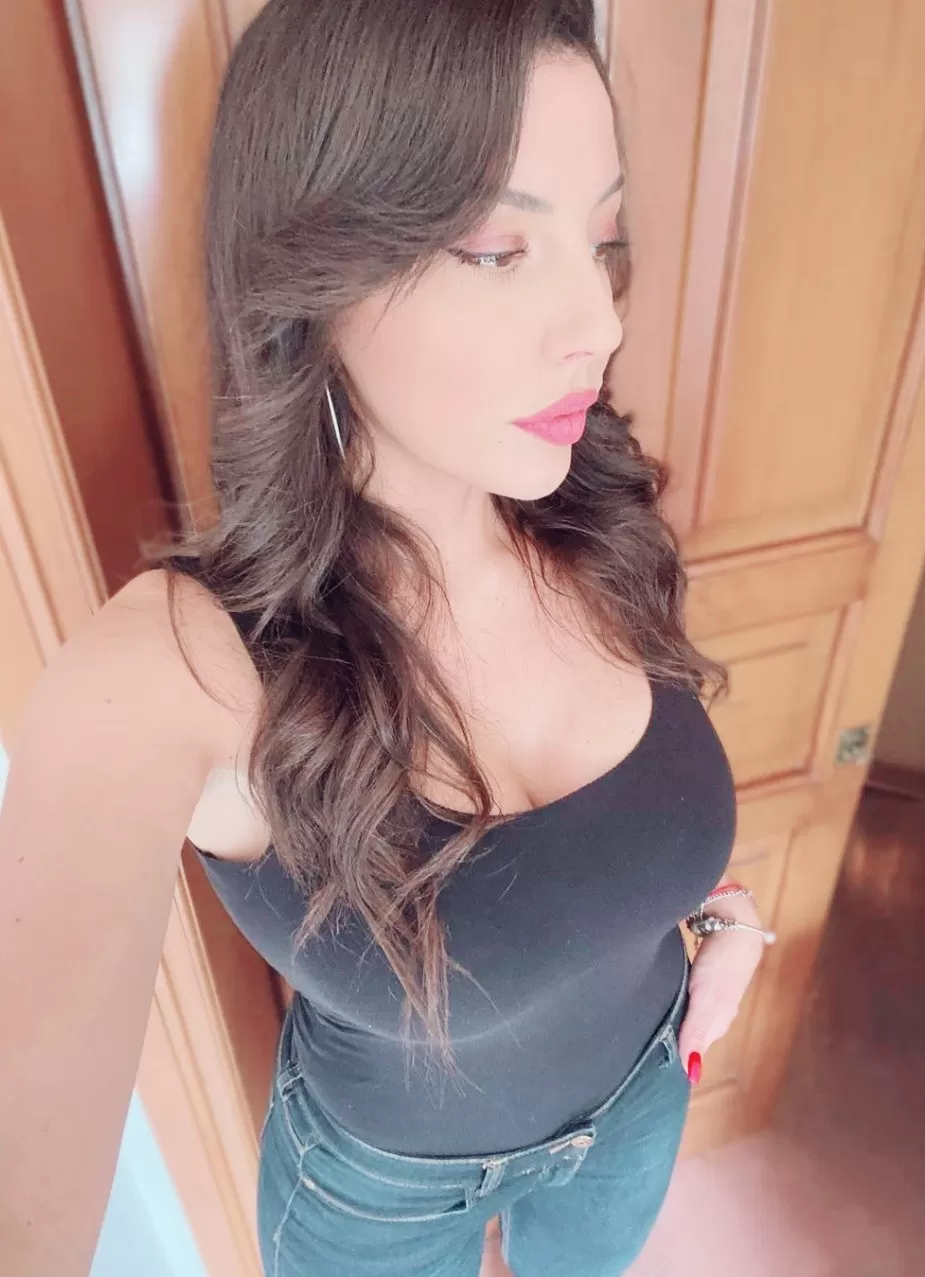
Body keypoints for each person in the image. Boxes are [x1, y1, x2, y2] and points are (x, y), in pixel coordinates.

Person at [0, 1, 774, 1274]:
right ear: (310, 275)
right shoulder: (184, 665)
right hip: (379, 1194)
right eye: (496, 247)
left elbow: (615, 840)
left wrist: (723, 916)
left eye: (601, 241)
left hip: (638, 1104)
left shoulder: (592, 514)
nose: (600, 320)